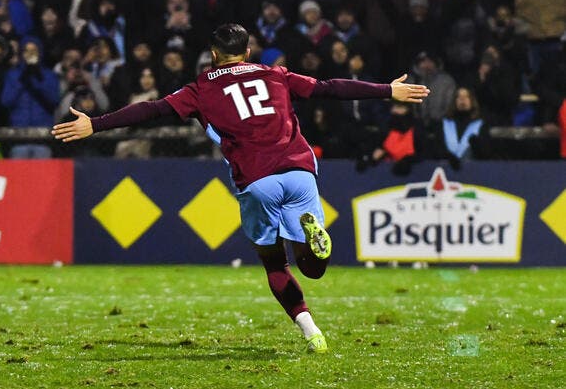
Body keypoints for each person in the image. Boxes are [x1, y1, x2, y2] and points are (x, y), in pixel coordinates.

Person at [52, 23, 428, 353]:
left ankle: (311, 331)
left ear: (214, 54)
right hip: (299, 170)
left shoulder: (200, 88)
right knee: (313, 269)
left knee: (275, 263)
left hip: (257, 180)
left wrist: (96, 125)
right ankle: (317, 235)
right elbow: (329, 88)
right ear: (248, 51)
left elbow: (150, 110)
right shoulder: (275, 74)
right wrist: (384, 90)